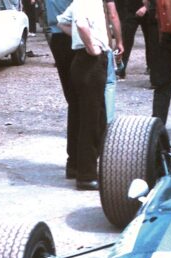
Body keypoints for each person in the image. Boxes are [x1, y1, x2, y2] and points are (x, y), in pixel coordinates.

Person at [57, 0, 112, 190]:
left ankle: (75, 166)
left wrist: (79, 40)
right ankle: (86, 175)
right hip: (90, 62)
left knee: (84, 116)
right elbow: (80, 24)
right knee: (92, 120)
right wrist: (91, 45)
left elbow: (62, 22)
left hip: (83, 61)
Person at [46, 0, 79, 180]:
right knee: (81, 102)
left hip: (58, 36)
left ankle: (74, 161)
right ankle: (78, 161)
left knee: (74, 102)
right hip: (72, 34)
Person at [119, 0, 159, 80]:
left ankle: (153, 70)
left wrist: (146, 7)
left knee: (151, 42)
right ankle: (120, 68)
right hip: (131, 8)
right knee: (126, 40)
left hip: (149, 10)